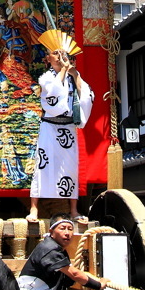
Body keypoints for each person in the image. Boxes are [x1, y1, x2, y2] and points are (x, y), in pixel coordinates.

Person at [28, 40, 93, 223]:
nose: (58, 56)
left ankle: (73, 209)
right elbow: (52, 94)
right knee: (43, 165)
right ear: (48, 58)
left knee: (70, 167)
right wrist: (64, 70)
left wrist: (75, 73)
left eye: (61, 53)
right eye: (54, 53)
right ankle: (34, 207)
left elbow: (86, 95)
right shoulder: (45, 78)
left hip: (68, 127)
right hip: (49, 126)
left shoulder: (72, 75)